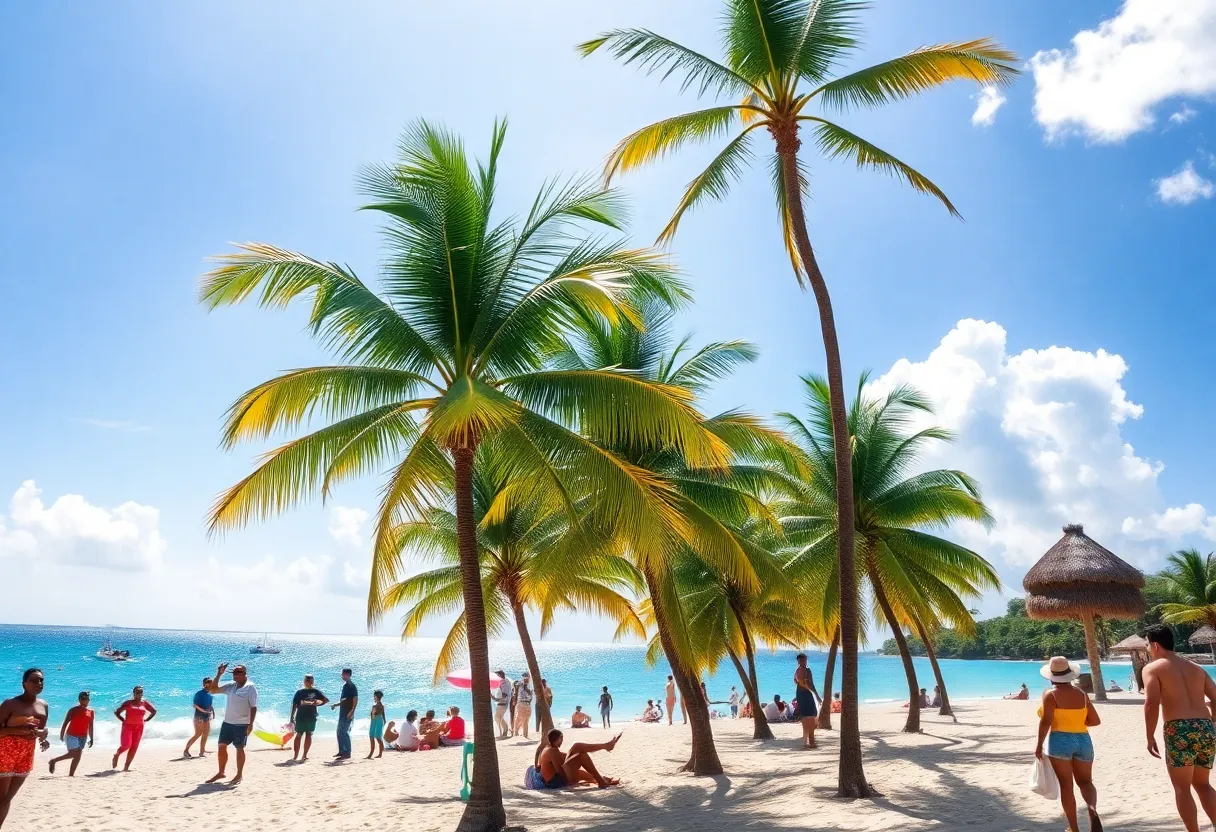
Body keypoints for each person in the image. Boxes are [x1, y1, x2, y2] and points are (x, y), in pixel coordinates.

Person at [1143, 623, 1216, 832]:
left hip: (1178, 729)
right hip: (1204, 727)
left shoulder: (1153, 668)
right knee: (1203, 784)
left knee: (1182, 787)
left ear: (1155, 645)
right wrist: (1212, 721)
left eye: (1148, 645)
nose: (1148, 649)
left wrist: (1149, 736)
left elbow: (1151, 703)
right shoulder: (1196, 668)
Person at [1034, 656, 1102, 832]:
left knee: (1066, 786)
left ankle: (1074, 828)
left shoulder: (1050, 695)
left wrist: (1038, 745)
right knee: (1086, 782)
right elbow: (1095, 721)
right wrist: (1076, 722)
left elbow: (1046, 721)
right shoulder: (1082, 694)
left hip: (1060, 740)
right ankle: (1092, 810)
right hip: (1083, 740)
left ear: (1051, 676)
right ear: (1069, 674)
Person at [0, 669, 50, 828]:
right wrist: (18, 729)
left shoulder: (43, 706)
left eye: (41, 680)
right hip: (5, 753)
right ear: (24, 683)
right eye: (34, 680)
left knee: (7, 799)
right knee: (1, 798)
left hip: (26, 755)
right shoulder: (10, 704)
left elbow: (39, 730)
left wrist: (43, 737)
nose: (39, 684)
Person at [206, 662, 258, 785]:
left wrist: (250, 724)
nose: (235, 675)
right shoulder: (231, 686)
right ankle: (221, 772)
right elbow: (213, 690)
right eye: (234, 672)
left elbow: (253, 707)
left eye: (238, 672)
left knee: (239, 748)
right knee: (221, 745)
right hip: (228, 722)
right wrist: (219, 674)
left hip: (242, 723)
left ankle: (239, 774)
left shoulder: (250, 687)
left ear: (245, 674)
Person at [532, 728, 621, 789]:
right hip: (555, 782)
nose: (562, 741)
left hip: (553, 779)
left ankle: (601, 779)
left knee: (577, 747)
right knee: (582, 755)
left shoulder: (549, 748)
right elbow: (560, 771)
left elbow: (562, 758)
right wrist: (573, 780)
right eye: (561, 739)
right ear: (559, 739)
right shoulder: (553, 751)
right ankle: (601, 780)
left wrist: (573, 757)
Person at [112, 685, 156, 771]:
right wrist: (123, 720)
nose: (139, 694)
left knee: (134, 747)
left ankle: (126, 768)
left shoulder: (144, 703)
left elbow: (154, 711)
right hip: (127, 726)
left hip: (139, 727)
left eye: (141, 692)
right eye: (137, 692)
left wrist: (146, 720)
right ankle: (117, 754)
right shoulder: (128, 703)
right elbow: (117, 712)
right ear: (134, 693)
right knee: (126, 745)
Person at [49, 691, 93, 776]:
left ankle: (71, 775)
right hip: (72, 735)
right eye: (84, 699)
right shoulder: (73, 710)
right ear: (80, 700)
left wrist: (92, 738)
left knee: (77, 755)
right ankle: (54, 761)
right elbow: (65, 722)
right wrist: (62, 734)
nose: (86, 701)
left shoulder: (91, 712)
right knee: (74, 753)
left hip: (83, 737)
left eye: (87, 699)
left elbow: (91, 726)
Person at [289, 675, 328, 762]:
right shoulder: (304, 692)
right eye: (307, 681)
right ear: (305, 681)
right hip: (304, 716)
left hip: (308, 716)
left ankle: (302, 755)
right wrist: (291, 717)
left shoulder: (303, 692)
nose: (308, 682)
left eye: (309, 681)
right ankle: (298, 756)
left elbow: (325, 700)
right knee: (301, 735)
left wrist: (317, 703)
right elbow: (294, 704)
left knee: (306, 734)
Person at [794, 653, 820, 750]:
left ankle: (807, 742)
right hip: (805, 693)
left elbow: (798, 682)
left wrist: (814, 693)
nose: (804, 662)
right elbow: (808, 684)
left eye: (805, 660)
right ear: (799, 661)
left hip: (802, 693)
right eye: (802, 660)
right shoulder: (805, 670)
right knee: (809, 717)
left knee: (807, 717)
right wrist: (816, 695)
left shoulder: (798, 671)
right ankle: (810, 741)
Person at [183, 677, 214, 758]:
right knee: (198, 734)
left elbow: (210, 704)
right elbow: (195, 705)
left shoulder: (210, 694)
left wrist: (212, 712)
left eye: (210, 682)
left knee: (206, 733)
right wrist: (204, 711)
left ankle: (202, 751)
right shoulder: (199, 693)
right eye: (207, 682)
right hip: (199, 716)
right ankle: (186, 751)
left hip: (207, 716)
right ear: (204, 684)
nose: (209, 684)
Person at [331, 668, 357, 760]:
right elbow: (344, 700)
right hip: (343, 712)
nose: (341, 676)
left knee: (344, 732)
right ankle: (342, 751)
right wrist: (336, 705)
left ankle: (347, 752)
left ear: (348, 675)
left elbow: (355, 699)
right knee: (339, 732)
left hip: (347, 713)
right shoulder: (345, 685)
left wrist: (352, 711)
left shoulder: (351, 685)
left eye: (343, 674)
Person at [513, 672, 533, 739]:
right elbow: (515, 691)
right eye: (525, 677)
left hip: (526, 703)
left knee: (523, 719)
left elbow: (531, 695)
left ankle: (519, 733)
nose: (527, 679)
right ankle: (522, 735)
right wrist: (514, 701)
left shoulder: (529, 685)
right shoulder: (520, 683)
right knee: (522, 719)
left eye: (528, 677)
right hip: (521, 702)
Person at [366, 690, 386, 759]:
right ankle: (380, 753)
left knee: (372, 736)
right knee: (378, 737)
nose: (373, 698)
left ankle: (371, 754)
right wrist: (384, 721)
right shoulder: (382, 706)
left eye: (374, 696)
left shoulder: (374, 706)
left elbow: (373, 715)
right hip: (379, 721)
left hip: (375, 721)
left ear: (376, 697)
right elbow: (383, 715)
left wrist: (372, 713)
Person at [494, 669, 511, 739]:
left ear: (500, 676)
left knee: (497, 717)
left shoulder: (504, 683)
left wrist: (495, 699)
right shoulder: (502, 683)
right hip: (501, 703)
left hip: (502, 703)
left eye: (497, 676)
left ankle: (504, 731)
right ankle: (504, 730)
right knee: (499, 718)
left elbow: (504, 695)